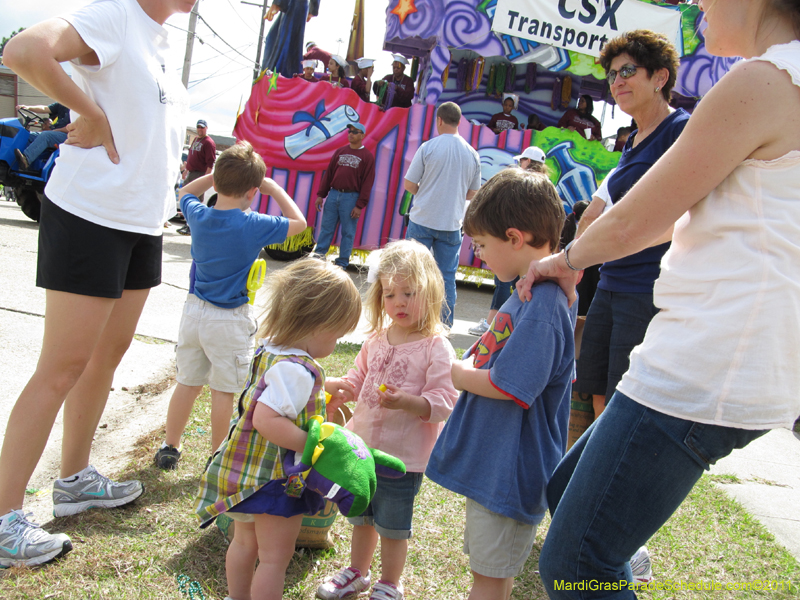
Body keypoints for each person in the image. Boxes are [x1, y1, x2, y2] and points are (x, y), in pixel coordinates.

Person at [516, 3, 800, 596]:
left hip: (708, 356)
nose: (696, 5)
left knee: (575, 566)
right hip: (734, 353)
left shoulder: (762, 80)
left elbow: (641, 218)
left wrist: (560, 263)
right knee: (564, 491)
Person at [0, 0, 192, 568]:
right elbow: (23, 51)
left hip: (140, 222)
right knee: (61, 366)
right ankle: (6, 516)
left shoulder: (158, 39)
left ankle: (75, 479)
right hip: (91, 215)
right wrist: (89, 111)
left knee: (105, 358)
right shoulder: (115, 15)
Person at [427, 168, 576, 600]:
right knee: (492, 574)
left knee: (488, 581)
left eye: (482, 245)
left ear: (514, 237)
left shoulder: (543, 301)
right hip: (498, 465)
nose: (479, 256)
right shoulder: (528, 289)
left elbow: (511, 385)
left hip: (511, 470)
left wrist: (456, 372)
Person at [194, 258, 361, 600]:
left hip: (245, 473)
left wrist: (324, 385)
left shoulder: (271, 349)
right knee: (274, 558)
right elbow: (267, 420)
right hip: (274, 479)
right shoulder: (299, 371)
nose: (336, 344)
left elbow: (275, 390)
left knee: (244, 544)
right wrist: (313, 446)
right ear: (315, 325)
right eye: (336, 335)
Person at [316, 240, 458, 600]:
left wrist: (409, 402)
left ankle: (390, 582)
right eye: (390, 294)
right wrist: (344, 389)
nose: (399, 302)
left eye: (409, 293)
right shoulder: (376, 339)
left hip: (402, 458)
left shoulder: (435, 347)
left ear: (431, 291)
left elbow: (444, 402)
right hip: (362, 449)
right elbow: (357, 376)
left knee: (393, 526)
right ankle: (357, 572)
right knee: (361, 516)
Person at [154, 142, 306, 470]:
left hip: (194, 312)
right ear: (253, 191)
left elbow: (184, 192)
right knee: (222, 392)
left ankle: (169, 446)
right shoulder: (253, 225)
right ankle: (216, 458)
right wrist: (275, 188)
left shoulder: (200, 215)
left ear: (219, 181)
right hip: (230, 319)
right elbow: (300, 223)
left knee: (188, 382)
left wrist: (215, 176)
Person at [567, 31, 689, 420]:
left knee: (624, 396)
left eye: (628, 71)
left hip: (647, 287)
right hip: (610, 282)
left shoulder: (680, 132)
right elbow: (597, 211)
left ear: (660, 78)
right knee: (595, 390)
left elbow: (687, 216)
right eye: (613, 74)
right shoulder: (633, 140)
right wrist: (570, 263)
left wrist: (623, 243)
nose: (617, 81)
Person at [403, 101, 481, 328]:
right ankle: (444, 325)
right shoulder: (472, 153)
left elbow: (409, 184)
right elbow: (473, 192)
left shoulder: (428, 147)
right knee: (446, 277)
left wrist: (426, 191)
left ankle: (410, 320)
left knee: (413, 271)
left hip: (422, 218)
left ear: (439, 120)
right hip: (452, 223)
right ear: (459, 122)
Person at [468, 148, 547, 336]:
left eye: (522, 161)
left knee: (504, 283)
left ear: (528, 161)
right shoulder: (544, 185)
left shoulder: (522, 186)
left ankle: (492, 324)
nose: (520, 164)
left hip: (514, 250)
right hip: (528, 253)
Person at [314, 122, 375, 269]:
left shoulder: (367, 156)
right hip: (334, 194)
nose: (351, 134)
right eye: (349, 131)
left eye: (355, 131)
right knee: (326, 228)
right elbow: (329, 174)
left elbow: (367, 183)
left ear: (362, 135)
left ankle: (342, 263)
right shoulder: (340, 151)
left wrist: (360, 205)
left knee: (348, 232)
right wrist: (321, 195)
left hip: (351, 198)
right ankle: (318, 259)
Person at [177, 119, 217, 236]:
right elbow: (190, 157)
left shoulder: (208, 142)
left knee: (195, 200)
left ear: (206, 128)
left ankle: (192, 226)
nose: (200, 129)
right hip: (191, 172)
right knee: (185, 197)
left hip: (200, 173)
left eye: (202, 127)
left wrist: (206, 179)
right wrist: (186, 170)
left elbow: (210, 163)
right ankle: (187, 224)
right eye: (198, 127)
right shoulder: (195, 140)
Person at [261, 0, 319, 79]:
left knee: (286, 45)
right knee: (274, 41)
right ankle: (279, 76)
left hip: (294, 5)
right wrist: (313, 9)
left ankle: (282, 78)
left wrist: (277, 3)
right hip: (290, 6)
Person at [14, 102, 71, 170]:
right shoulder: (62, 104)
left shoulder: (78, 109)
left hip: (68, 136)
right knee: (28, 135)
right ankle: (16, 163)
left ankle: (26, 160)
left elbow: (74, 128)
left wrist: (55, 131)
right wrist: (28, 108)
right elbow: (44, 108)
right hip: (56, 133)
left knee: (46, 135)